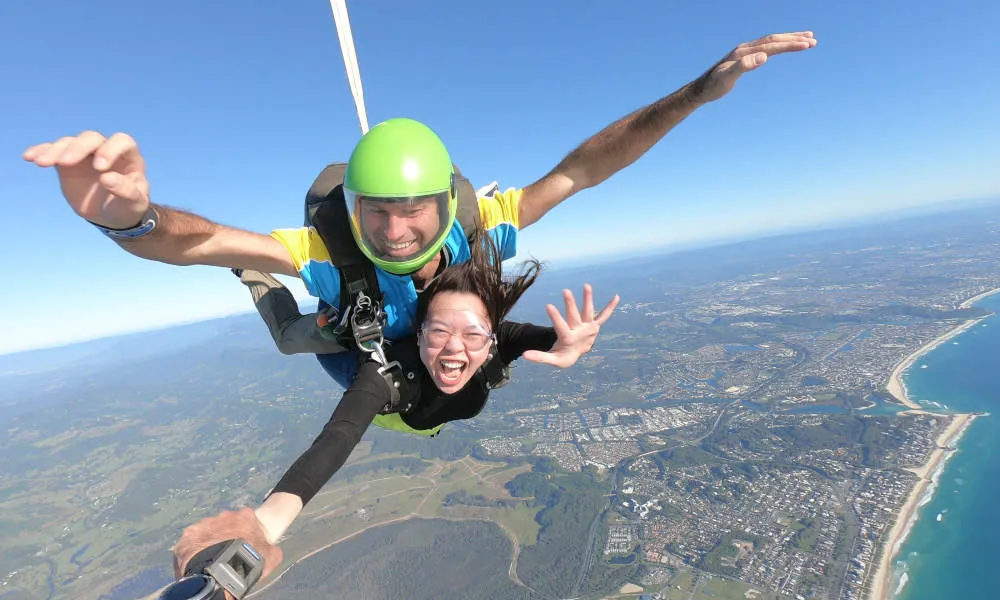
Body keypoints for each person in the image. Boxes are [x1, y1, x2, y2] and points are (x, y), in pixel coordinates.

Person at [21, 32, 817, 388]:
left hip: (423, 335)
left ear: (447, 206)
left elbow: (581, 169)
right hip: (350, 336)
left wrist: (696, 94)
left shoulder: (485, 221)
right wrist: (128, 218)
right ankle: (260, 285)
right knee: (295, 332)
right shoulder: (329, 249)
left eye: (415, 215)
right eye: (377, 216)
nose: (397, 232)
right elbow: (187, 243)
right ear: (355, 209)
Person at [171, 230, 619, 585]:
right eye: (439, 332)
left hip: (429, 367)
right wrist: (264, 525)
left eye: (474, 336)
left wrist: (568, 342)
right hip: (353, 360)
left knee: (461, 341)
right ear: (418, 333)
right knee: (296, 336)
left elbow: (542, 338)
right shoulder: (387, 376)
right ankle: (255, 272)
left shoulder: (495, 342)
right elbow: (337, 438)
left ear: (491, 337)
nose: (454, 351)